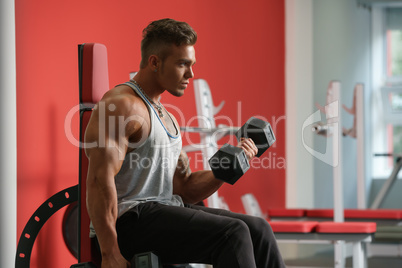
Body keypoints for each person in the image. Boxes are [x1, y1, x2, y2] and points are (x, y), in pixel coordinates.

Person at [84, 18, 285, 268]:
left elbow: (185, 188)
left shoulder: (167, 117)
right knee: (232, 233)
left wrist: (228, 169)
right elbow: (97, 181)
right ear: (155, 62)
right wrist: (110, 253)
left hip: (161, 212)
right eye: (182, 64)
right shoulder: (122, 105)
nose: (191, 74)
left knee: (258, 229)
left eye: (192, 65)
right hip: (128, 223)